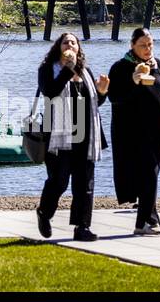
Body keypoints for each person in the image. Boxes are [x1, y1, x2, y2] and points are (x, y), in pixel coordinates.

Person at [106, 28, 160, 235]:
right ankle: (142, 223)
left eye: (150, 44)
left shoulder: (157, 65)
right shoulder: (121, 67)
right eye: (143, 45)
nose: (147, 49)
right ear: (132, 46)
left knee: (151, 175)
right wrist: (134, 80)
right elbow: (114, 96)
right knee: (148, 175)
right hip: (132, 132)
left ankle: (151, 219)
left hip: (157, 130)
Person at [35, 32, 110, 242]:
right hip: (58, 136)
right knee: (59, 182)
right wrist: (68, 69)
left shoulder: (86, 71)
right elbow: (49, 92)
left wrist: (102, 92)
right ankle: (44, 212)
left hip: (85, 136)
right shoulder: (48, 69)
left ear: (78, 48)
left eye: (74, 42)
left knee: (84, 184)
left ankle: (82, 227)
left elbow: (94, 104)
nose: (70, 45)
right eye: (66, 42)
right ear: (58, 47)